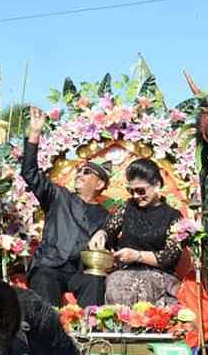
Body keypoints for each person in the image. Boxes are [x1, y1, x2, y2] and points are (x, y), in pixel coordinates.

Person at [23, 105, 110, 306]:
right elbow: (29, 173)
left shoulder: (105, 216)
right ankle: (46, 334)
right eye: (79, 170)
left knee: (95, 280)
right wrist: (35, 134)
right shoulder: (58, 196)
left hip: (79, 271)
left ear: (100, 184)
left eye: (87, 172)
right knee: (44, 279)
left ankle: (91, 334)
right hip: (49, 266)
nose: (80, 174)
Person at [88, 158, 183, 306]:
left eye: (140, 190)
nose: (135, 196)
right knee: (117, 283)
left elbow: (170, 256)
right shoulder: (128, 207)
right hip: (123, 273)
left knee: (141, 286)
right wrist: (102, 233)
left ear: (157, 185)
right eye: (131, 191)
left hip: (158, 275)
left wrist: (137, 256)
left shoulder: (173, 216)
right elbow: (109, 229)